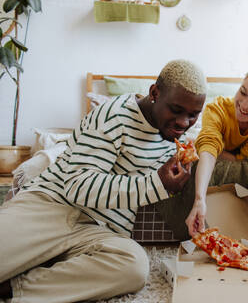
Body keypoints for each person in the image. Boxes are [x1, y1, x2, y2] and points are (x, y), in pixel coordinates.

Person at [0, 60, 208, 302]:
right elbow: (78, 186)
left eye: (193, 115)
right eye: (175, 109)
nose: (183, 123)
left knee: (134, 266)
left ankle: (15, 289)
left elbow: (216, 138)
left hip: (98, 232)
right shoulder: (115, 115)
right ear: (154, 93)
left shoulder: (178, 139)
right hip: (52, 208)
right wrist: (156, 184)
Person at [157, 64, 248, 239]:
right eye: (243, 92)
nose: (244, 105)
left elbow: (244, 156)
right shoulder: (217, 110)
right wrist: (199, 200)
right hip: (215, 145)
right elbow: (208, 150)